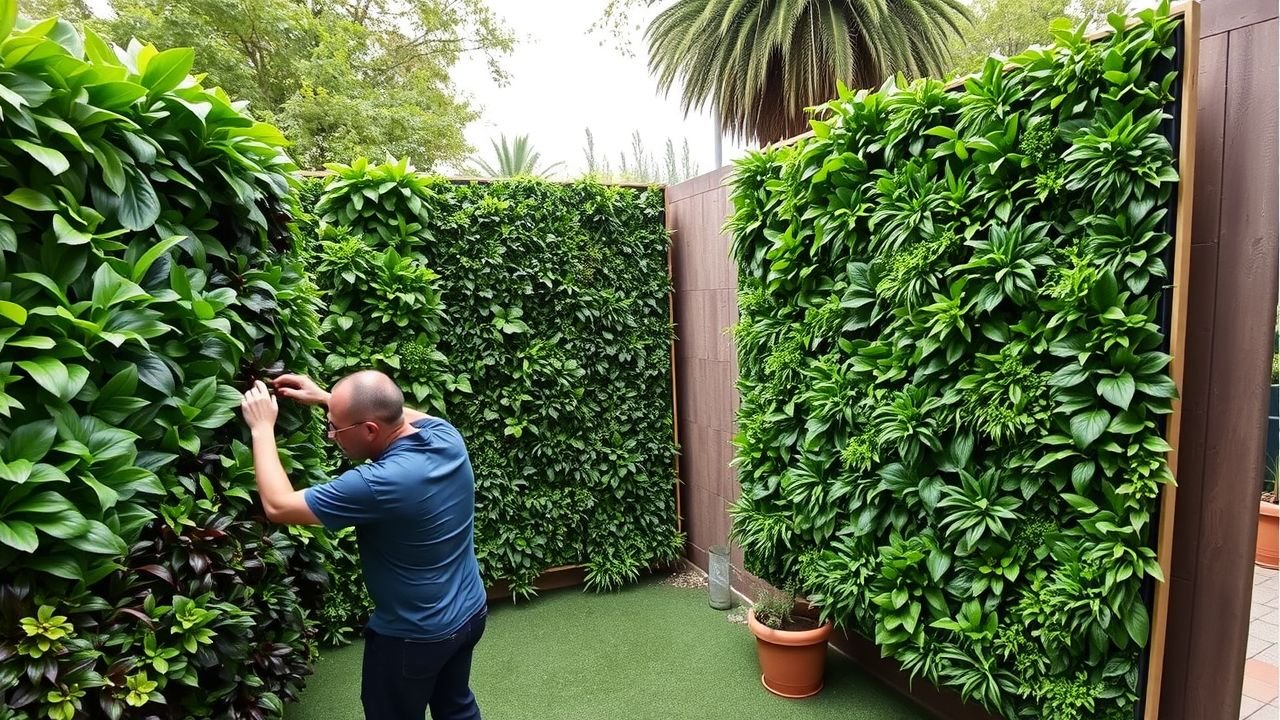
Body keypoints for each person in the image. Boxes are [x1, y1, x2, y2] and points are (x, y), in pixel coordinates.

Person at [239, 369, 487, 720]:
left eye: (335, 428)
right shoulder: (445, 435)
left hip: (414, 637)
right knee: (456, 708)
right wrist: (326, 397)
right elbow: (395, 413)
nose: (330, 434)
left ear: (370, 430)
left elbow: (279, 506)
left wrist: (262, 428)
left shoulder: (379, 483)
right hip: (469, 614)